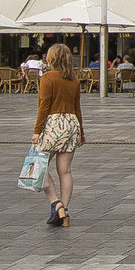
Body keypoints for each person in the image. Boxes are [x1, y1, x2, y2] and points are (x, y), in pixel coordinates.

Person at [32, 44, 86, 227]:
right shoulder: (74, 80)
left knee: (39, 167)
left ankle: (56, 204)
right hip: (72, 124)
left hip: (54, 124)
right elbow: (77, 107)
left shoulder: (48, 77)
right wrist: (82, 132)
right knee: (65, 170)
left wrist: (37, 131)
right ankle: (66, 210)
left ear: (52, 58)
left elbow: (44, 106)